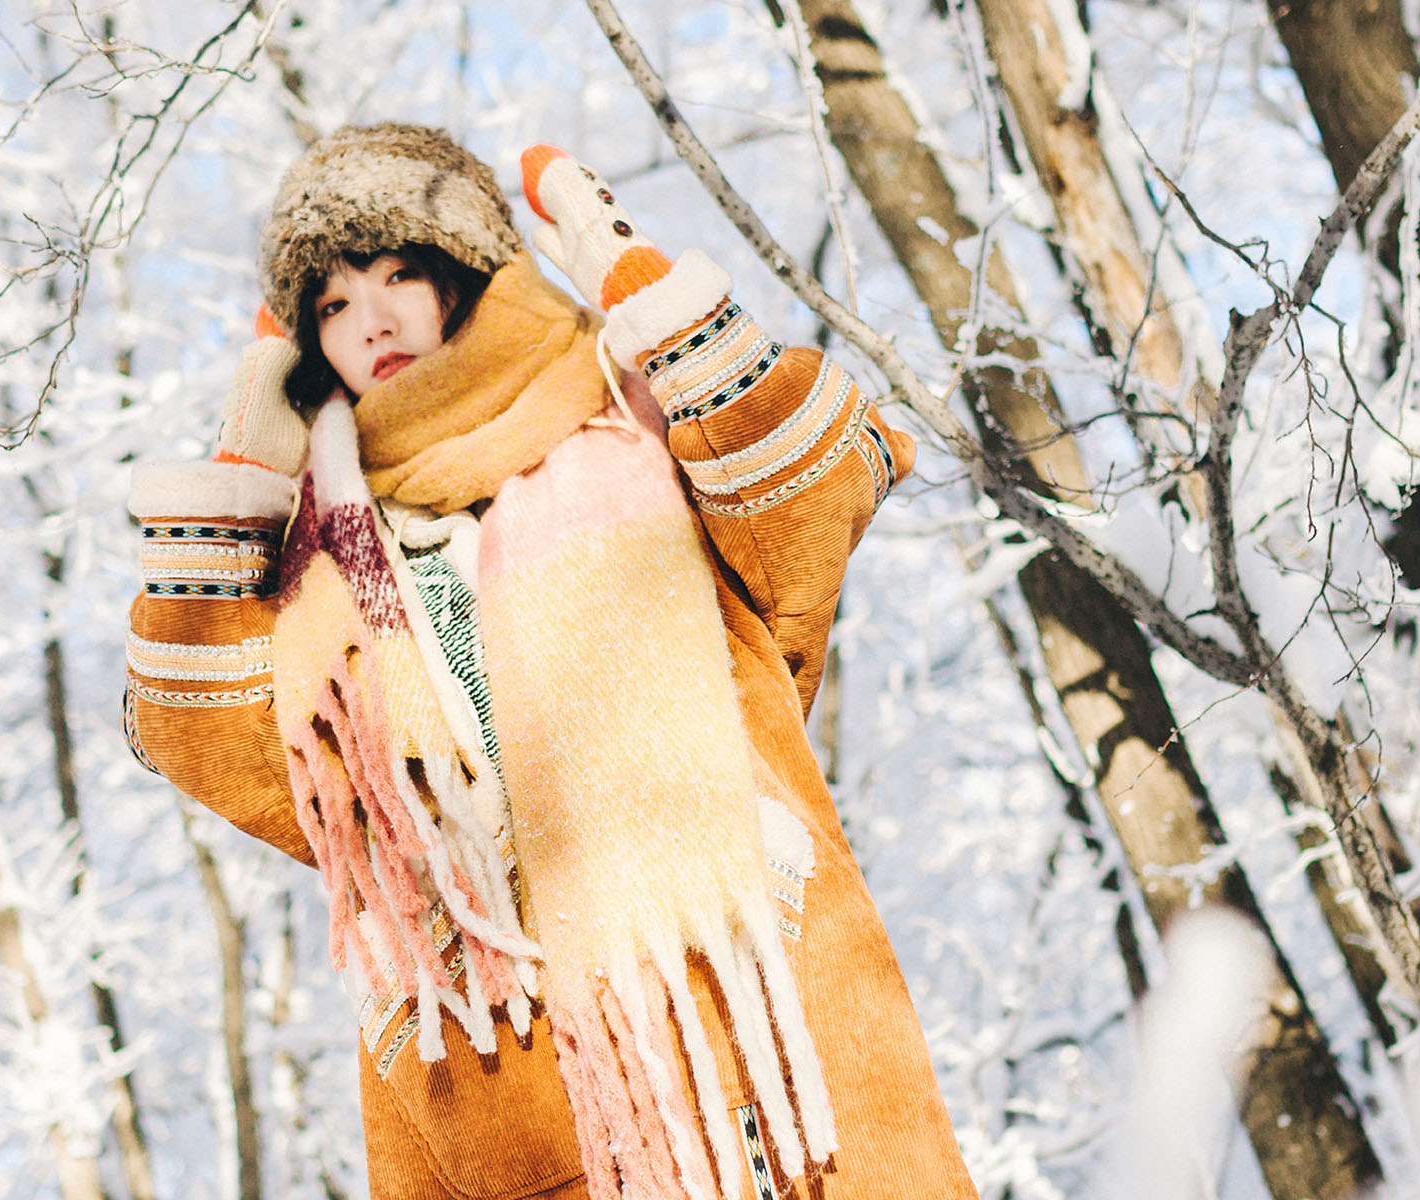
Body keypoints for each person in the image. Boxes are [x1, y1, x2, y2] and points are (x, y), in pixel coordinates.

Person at [123, 122, 975, 1200]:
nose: (371, 319)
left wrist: (646, 293)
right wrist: (246, 466)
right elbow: (196, 728)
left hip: (763, 1041)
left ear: (468, 275)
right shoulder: (317, 568)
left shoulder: (632, 422)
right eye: (331, 304)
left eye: (398, 273)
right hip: (512, 1099)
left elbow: (814, 487)